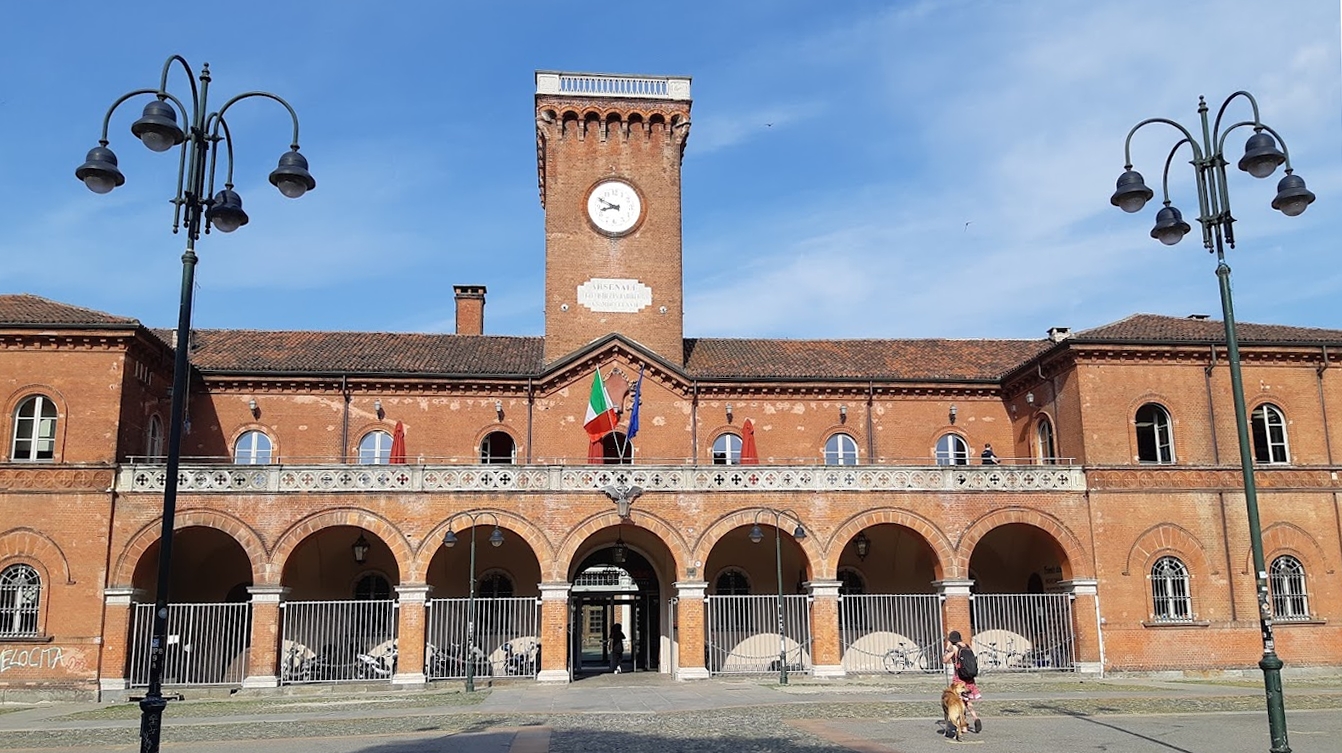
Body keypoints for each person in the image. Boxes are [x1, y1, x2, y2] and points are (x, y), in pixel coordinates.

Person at [943, 630, 982, 733]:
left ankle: (964, 725)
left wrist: (947, 648)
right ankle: (974, 718)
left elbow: (945, 659)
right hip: (969, 678)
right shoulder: (967, 646)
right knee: (967, 700)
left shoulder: (955, 648)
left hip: (959, 679)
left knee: (961, 702)